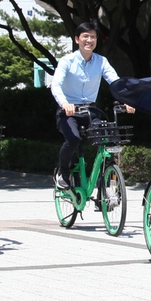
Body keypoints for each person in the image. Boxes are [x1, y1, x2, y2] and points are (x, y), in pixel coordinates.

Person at [50, 21, 132, 190]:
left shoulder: (101, 61)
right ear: (77, 40)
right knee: (73, 139)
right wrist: (65, 103)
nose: (89, 40)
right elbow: (55, 85)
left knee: (109, 138)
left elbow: (115, 82)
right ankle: (63, 171)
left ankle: (107, 175)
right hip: (69, 111)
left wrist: (127, 100)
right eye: (85, 36)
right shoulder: (67, 61)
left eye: (93, 37)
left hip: (90, 111)